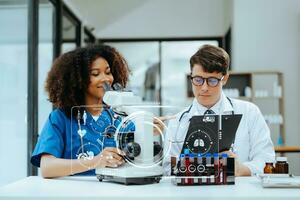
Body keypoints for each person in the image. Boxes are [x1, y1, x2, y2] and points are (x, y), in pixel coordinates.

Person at [162, 44, 275, 176]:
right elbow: (167, 168)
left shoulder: (249, 112)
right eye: (198, 80)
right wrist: (183, 167)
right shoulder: (178, 121)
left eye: (212, 81)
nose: (204, 88)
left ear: (225, 78)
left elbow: (267, 160)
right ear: (191, 77)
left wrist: (241, 169)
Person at [31, 45, 135, 178]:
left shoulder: (119, 117)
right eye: (95, 74)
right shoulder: (60, 118)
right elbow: (47, 168)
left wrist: (148, 128)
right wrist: (95, 161)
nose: (106, 79)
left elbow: (136, 157)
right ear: (78, 80)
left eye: (108, 72)